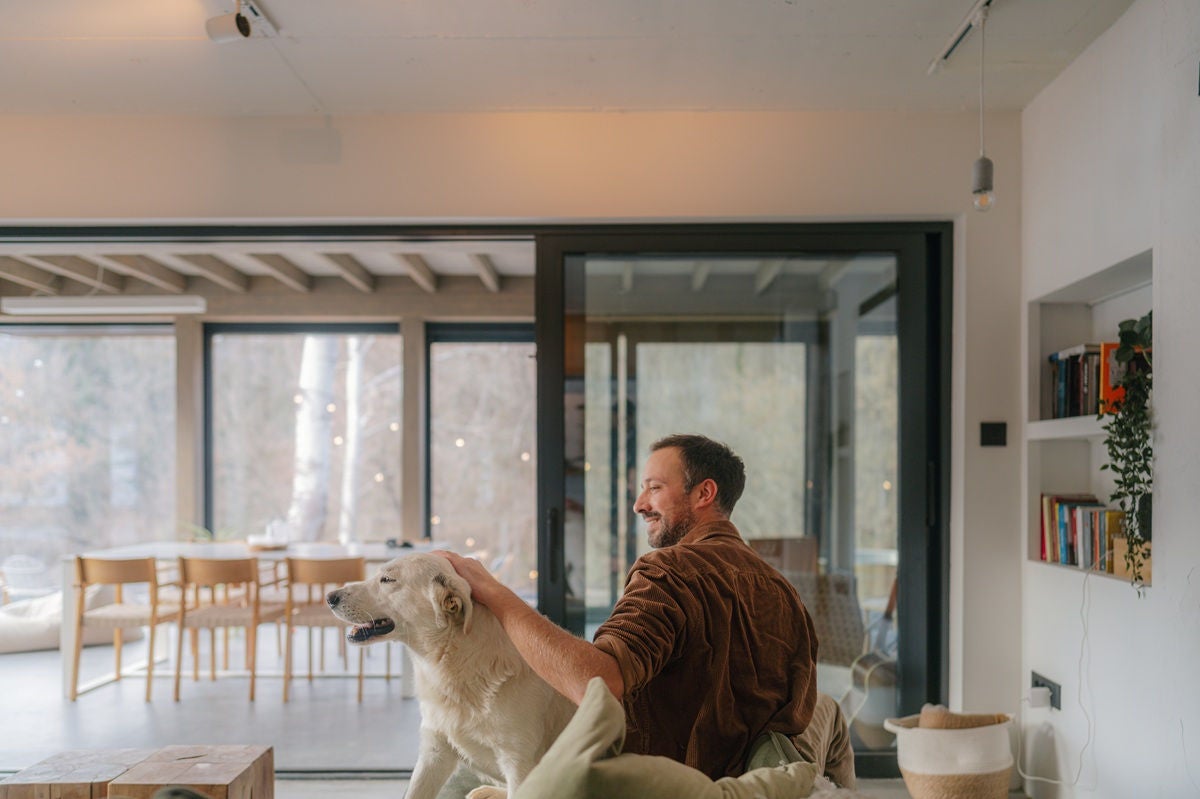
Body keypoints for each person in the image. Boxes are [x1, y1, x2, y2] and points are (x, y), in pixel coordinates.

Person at [434, 433, 854, 786]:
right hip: (754, 784)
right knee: (830, 713)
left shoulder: (669, 571)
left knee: (461, 773)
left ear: (704, 493)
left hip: (667, 785)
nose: (639, 504)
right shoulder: (782, 589)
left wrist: (497, 595)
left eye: (654, 488)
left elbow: (597, 683)